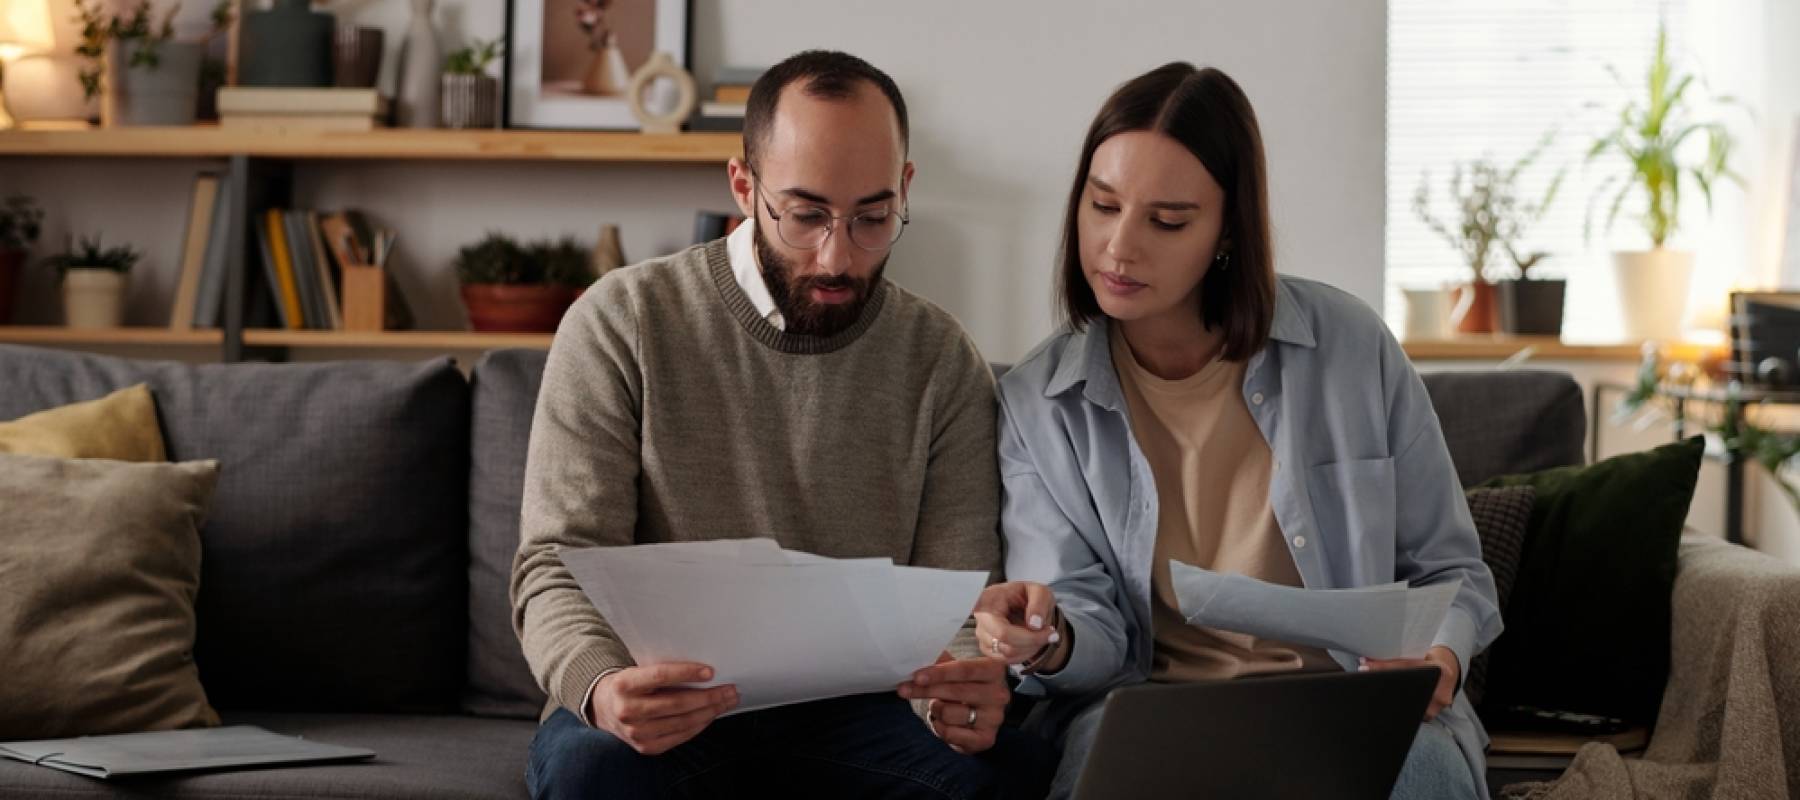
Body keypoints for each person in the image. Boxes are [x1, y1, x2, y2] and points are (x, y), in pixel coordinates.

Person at [510, 50, 1052, 799]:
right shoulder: (621, 321)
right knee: (590, 774)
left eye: (872, 217)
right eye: (805, 216)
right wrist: (602, 687)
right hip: (663, 702)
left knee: (1012, 775)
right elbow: (553, 565)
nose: (838, 256)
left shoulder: (940, 358)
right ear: (743, 185)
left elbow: (960, 597)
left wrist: (956, 696)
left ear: (905, 188)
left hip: (867, 715)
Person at [971, 62, 1503, 799]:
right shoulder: (1037, 403)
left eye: (1167, 221)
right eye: (1102, 206)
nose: (1119, 247)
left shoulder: (1351, 346)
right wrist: (1049, 638)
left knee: (1423, 776)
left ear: (1227, 231)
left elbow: (1453, 571)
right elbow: (1089, 625)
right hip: (1148, 709)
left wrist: (1441, 654)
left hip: (1353, 704)